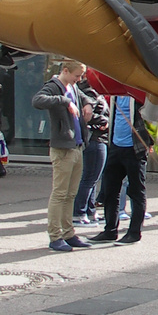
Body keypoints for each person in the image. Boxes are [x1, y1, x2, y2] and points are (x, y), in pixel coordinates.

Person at [33, 60, 89, 252]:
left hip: (77, 145)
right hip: (63, 148)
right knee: (59, 193)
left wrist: (88, 104)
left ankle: (68, 233)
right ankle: (55, 235)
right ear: (65, 71)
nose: (78, 80)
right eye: (76, 76)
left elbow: (84, 96)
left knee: (70, 194)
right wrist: (64, 101)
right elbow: (37, 100)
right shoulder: (54, 86)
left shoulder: (72, 87)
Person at [89, 92, 148, 245]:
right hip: (115, 146)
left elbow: (155, 118)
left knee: (136, 192)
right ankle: (110, 230)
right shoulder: (114, 94)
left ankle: (134, 233)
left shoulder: (140, 94)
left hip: (134, 149)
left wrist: (149, 142)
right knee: (110, 191)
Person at [72, 81, 110, 228]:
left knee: (92, 178)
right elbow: (86, 113)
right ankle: (79, 212)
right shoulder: (90, 91)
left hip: (96, 137)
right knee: (90, 178)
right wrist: (104, 121)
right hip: (95, 137)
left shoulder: (89, 91)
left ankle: (89, 211)